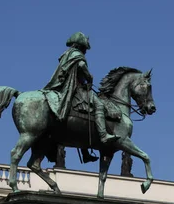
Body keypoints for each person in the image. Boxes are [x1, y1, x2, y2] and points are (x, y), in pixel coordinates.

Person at [43, 31, 119, 164]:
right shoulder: (77, 55)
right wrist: (89, 76)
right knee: (99, 106)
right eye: (85, 48)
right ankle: (103, 135)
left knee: (85, 118)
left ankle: (85, 153)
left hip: (65, 87)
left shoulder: (66, 55)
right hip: (75, 88)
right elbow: (82, 67)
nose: (86, 51)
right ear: (81, 46)